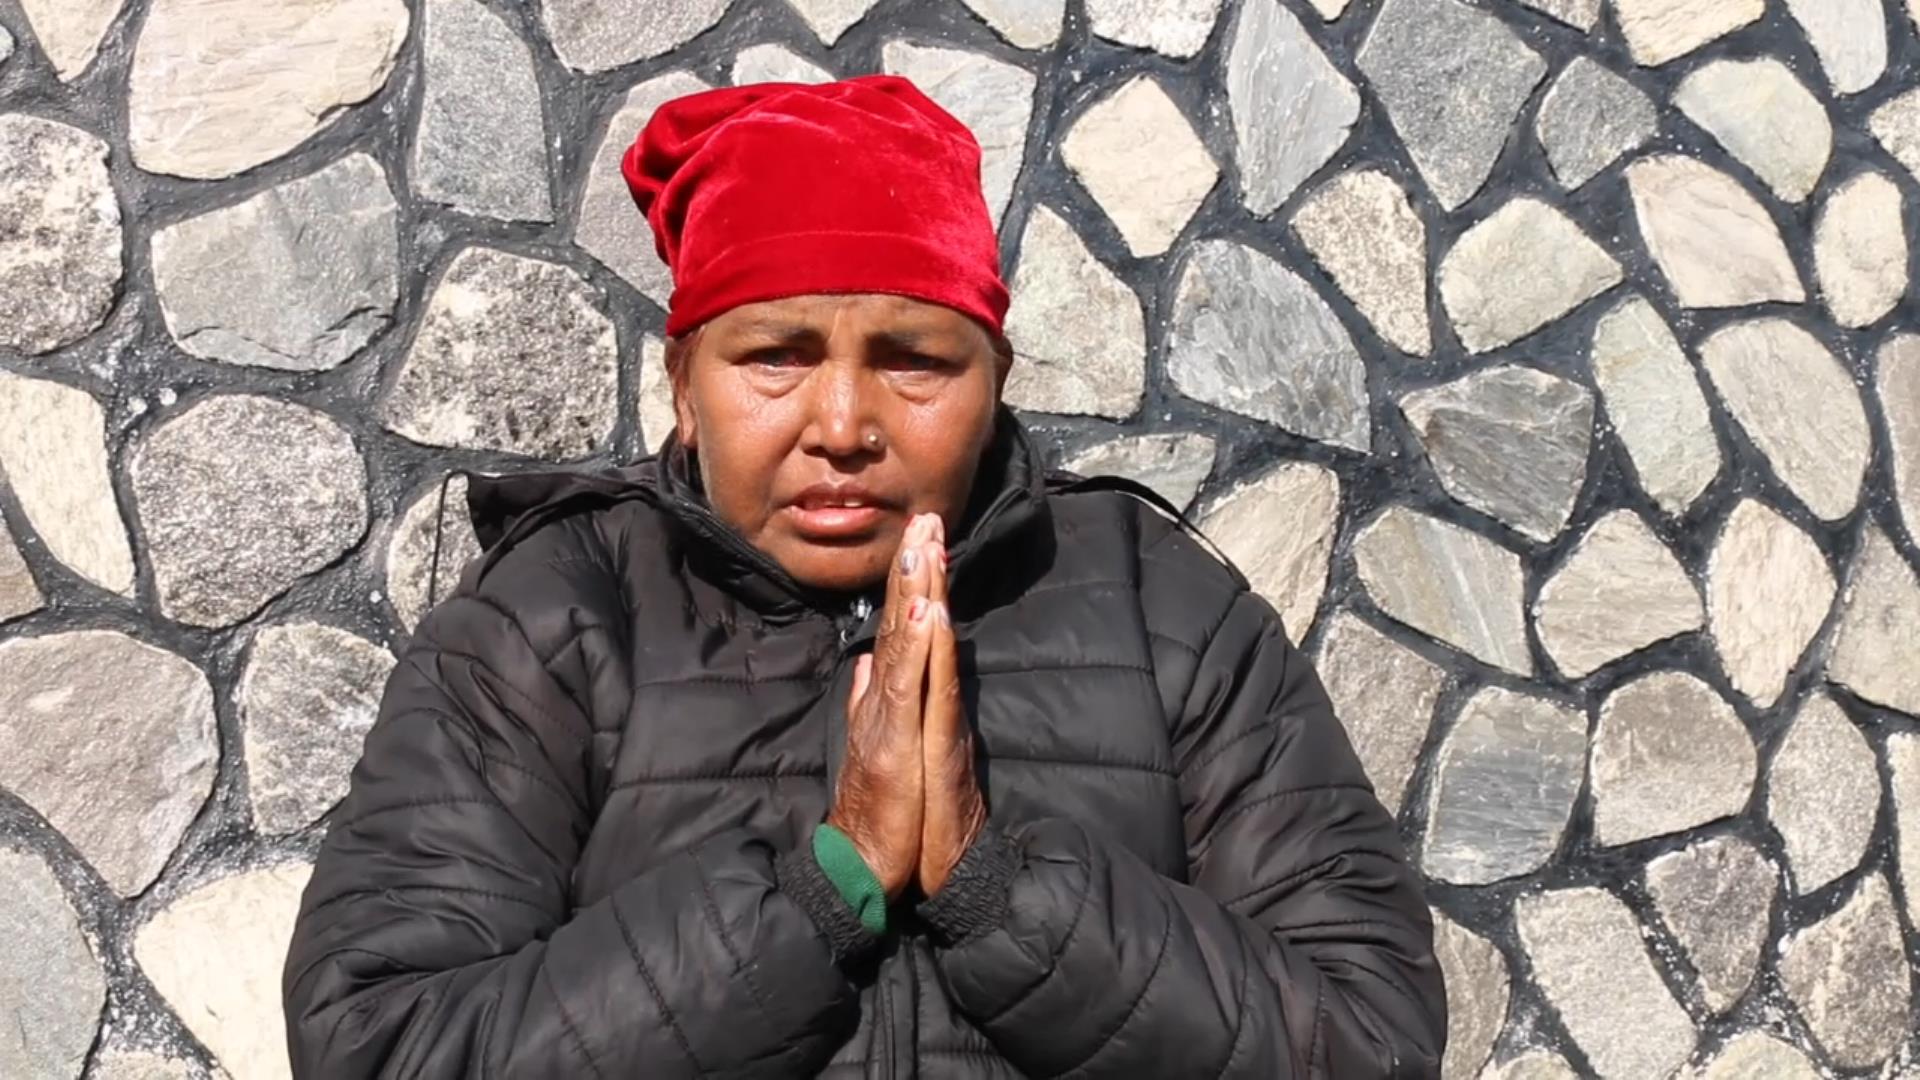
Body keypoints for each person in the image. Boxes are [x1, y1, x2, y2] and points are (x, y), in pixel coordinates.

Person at [282, 74, 1445, 1078]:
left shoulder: (1163, 609)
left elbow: (1370, 1037)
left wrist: (996, 891)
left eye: (914, 361)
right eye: (774, 358)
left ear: (996, 377)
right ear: (685, 385)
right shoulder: (554, 619)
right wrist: (824, 891)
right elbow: (382, 1045)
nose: (842, 425)